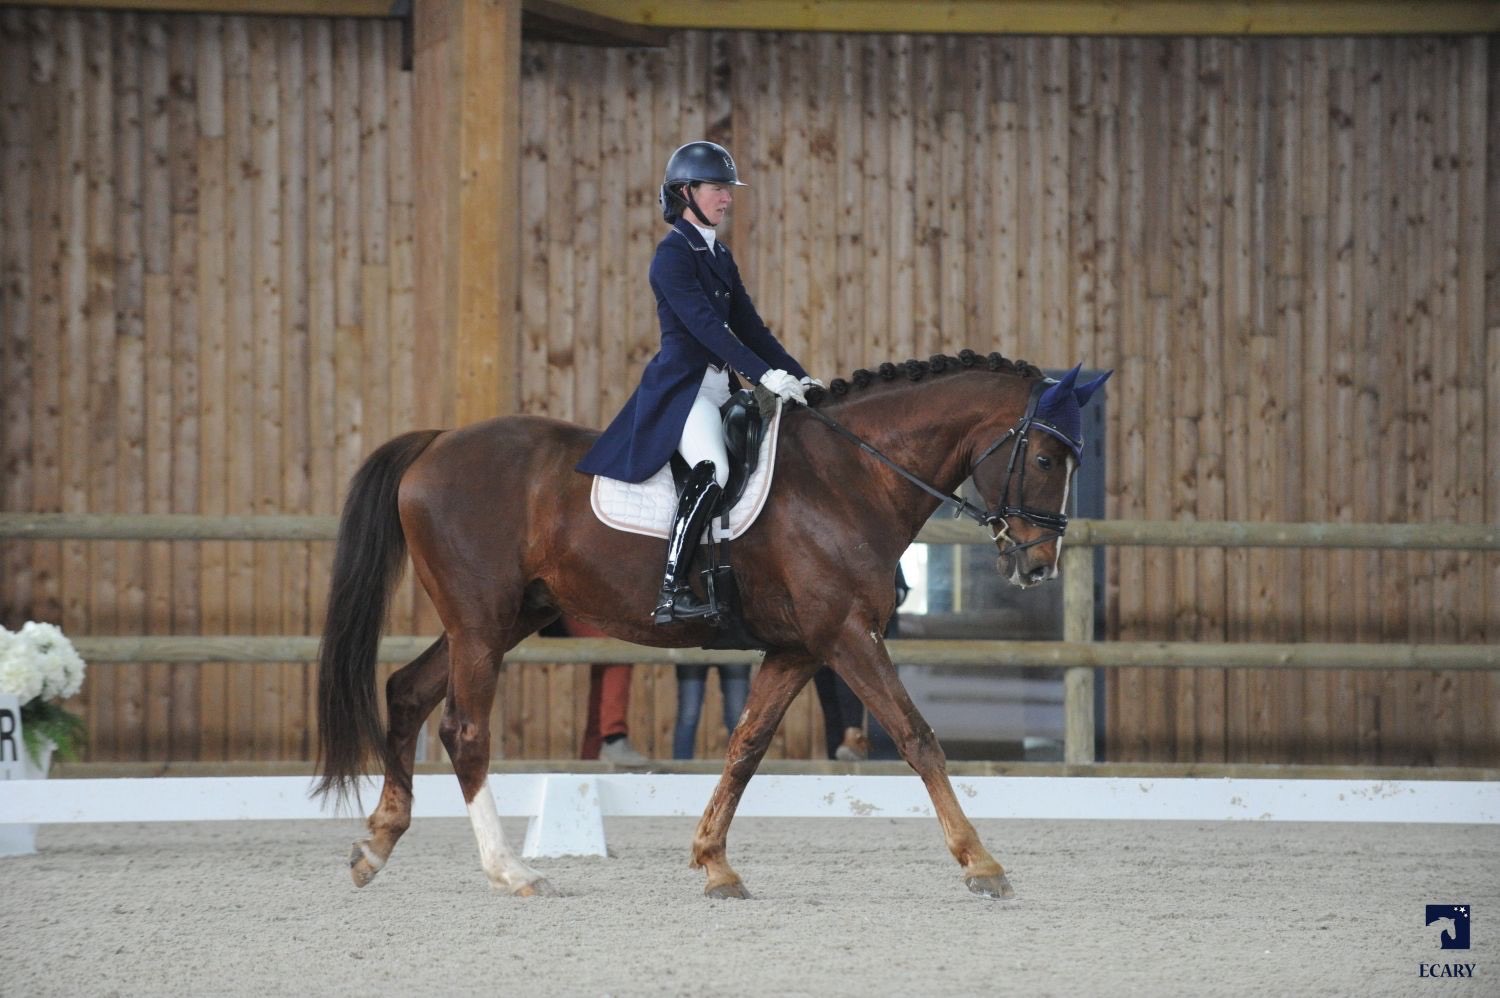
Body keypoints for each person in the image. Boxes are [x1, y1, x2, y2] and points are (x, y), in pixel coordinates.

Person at [576, 140, 822, 625]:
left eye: (728, 189)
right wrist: (762, 374)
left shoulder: (719, 255)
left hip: (720, 388)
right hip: (683, 391)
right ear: (685, 191)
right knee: (715, 467)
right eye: (716, 188)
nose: (726, 198)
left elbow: (751, 327)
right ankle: (671, 587)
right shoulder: (672, 256)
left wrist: (798, 375)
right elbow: (706, 328)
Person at [814, 566, 910, 761]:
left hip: (868, 634)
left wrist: (871, 602)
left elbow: (899, 589)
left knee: (879, 704)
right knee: (830, 700)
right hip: (824, 629)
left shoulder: (876, 542)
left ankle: (858, 740)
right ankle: (837, 763)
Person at [545, 616, 649, 767]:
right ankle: (613, 737)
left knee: (607, 661)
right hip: (565, 607)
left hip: (586, 610)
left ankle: (592, 755)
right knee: (618, 650)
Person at [672, 663, 750, 760]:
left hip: (732, 649)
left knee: (737, 716)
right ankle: (680, 771)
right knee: (688, 716)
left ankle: (743, 768)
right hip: (696, 650)